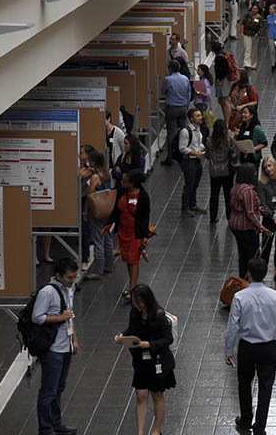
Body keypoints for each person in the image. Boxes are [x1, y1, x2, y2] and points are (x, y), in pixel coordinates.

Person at [225, 257, 276, 435]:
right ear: (265, 274)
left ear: (248, 273)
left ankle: (245, 419)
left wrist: (229, 350)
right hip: (268, 347)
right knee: (266, 386)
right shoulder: (275, 296)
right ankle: (260, 426)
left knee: (244, 383)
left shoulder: (239, 296)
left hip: (247, 347)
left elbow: (232, 325)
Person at [117, 284, 176, 435]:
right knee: (140, 395)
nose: (136, 305)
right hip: (140, 361)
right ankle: (140, 431)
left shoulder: (159, 315)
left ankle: (156, 430)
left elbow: (168, 339)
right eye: (134, 302)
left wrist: (149, 344)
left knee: (157, 394)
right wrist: (122, 336)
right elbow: (131, 329)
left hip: (157, 361)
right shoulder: (134, 313)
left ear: (146, 300)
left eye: (138, 302)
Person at [32, 256, 80, 435]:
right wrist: (61, 318)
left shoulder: (69, 289)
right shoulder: (47, 292)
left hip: (65, 346)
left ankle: (56, 422)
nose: (72, 280)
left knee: (59, 388)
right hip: (53, 350)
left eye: (74, 277)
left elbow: (71, 315)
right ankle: (45, 428)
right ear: (58, 276)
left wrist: (74, 339)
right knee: (49, 390)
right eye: (69, 277)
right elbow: (37, 317)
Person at [107, 169, 150, 301]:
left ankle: (133, 290)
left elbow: (145, 217)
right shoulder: (121, 192)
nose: (121, 182)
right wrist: (109, 224)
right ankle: (133, 286)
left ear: (132, 183)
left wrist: (144, 236)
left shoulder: (143, 196)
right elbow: (115, 210)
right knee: (128, 260)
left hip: (135, 233)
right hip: (123, 232)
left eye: (124, 181)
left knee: (134, 260)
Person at [228, 164, 272, 278]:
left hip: (235, 225)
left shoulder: (235, 187)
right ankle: (250, 279)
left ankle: (243, 278)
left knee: (242, 255)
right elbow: (250, 213)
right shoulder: (247, 191)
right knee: (251, 256)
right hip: (246, 227)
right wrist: (261, 227)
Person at [84, 150, 115, 280]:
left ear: (93, 162)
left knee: (97, 240)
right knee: (107, 237)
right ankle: (109, 264)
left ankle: (98, 270)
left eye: (89, 160)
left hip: (96, 211)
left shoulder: (95, 177)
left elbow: (89, 196)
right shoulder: (106, 174)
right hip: (107, 210)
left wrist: (86, 211)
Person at [206, 118, 238, 224]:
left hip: (214, 171)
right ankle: (230, 216)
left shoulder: (209, 141)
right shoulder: (228, 141)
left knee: (214, 195)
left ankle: (213, 216)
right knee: (228, 194)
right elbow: (233, 155)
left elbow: (207, 155)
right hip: (227, 171)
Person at [160, 59, 191, 165]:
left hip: (172, 107)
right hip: (183, 107)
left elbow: (163, 91)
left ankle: (171, 156)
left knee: (172, 133)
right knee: (183, 131)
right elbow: (188, 93)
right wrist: (186, 105)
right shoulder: (185, 79)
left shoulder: (168, 79)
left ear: (170, 69)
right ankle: (183, 153)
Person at [179, 108, 206, 217]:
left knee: (195, 183)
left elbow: (199, 143)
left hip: (197, 161)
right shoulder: (185, 131)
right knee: (189, 184)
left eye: (200, 115)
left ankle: (193, 205)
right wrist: (195, 153)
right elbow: (182, 148)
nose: (200, 117)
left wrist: (202, 147)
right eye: (197, 116)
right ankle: (185, 207)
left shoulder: (198, 129)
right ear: (191, 119)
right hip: (189, 161)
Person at [211, 40, 234, 128]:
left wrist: (218, 79)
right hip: (226, 79)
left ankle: (227, 121)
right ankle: (227, 120)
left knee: (224, 100)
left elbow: (222, 71)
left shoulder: (219, 58)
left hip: (222, 80)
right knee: (223, 100)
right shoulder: (224, 54)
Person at [240, 3, 263, 70]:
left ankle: (253, 64)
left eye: (256, 9)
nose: (254, 10)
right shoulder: (247, 15)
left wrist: (258, 33)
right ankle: (246, 64)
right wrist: (241, 33)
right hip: (247, 34)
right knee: (248, 49)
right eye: (253, 8)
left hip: (255, 35)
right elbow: (242, 24)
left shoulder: (259, 17)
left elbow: (261, 27)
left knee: (254, 50)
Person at [194, 64, 213, 140]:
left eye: (199, 70)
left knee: (202, 123)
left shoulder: (205, 81)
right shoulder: (202, 80)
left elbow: (207, 95)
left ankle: (204, 138)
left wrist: (198, 92)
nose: (197, 72)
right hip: (201, 103)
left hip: (202, 104)